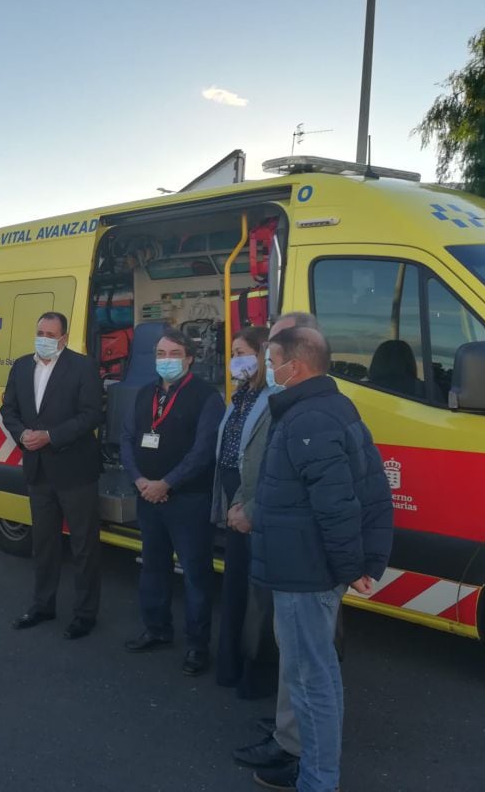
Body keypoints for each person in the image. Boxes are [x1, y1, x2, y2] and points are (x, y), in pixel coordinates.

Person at [249, 326, 393, 792]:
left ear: (297, 365)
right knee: (311, 674)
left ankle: (317, 780)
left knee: (313, 682)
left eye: (272, 361)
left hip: (305, 573)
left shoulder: (309, 418)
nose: (268, 370)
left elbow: (340, 505)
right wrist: (361, 561)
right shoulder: (331, 406)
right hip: (306, 567)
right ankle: (305, 762)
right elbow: (370, 490)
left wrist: (355, 567)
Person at [230, 312, 325, 776]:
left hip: (296, 552)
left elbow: (303, 488)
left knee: (309, 663)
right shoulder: (284, 398)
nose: (269, 354)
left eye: (275, 348)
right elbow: (250, 459)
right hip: (277, 538)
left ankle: (299, 754)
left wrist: (252, 510)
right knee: (291, 651)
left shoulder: (312, 411)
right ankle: (290, 729)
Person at [121, 328, 225, 675]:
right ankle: (157, 629)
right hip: (147, 497)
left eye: (174, 354)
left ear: (190, 357)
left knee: (196, 576)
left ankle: (197, 646)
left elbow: (204, 450)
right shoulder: (144, 394)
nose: (166, 360)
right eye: (161, 354)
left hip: (188, 500)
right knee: (153, 568)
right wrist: (139, 480)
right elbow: (128, 438)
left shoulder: (206, 396)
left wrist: (166, 482)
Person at [0, 311, 103, 640]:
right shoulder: (21, 366)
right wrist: (23, 434)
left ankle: (85, 614)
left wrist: (51, 436)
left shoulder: (83, 367)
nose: (43, 337)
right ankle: (43, 605)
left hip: (75, 470)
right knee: (44, 544)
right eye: (39, 331)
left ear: (63, 338)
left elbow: (91, 415)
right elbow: (9, 409)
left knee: (84, 545)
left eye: (50, 333)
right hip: (38, 469)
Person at [213, 325, 276, 698]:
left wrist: (244, 502)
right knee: (235, 585)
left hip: (250, 498)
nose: (236, 360)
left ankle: (254, 673)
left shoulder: (273, 398)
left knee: (256, 593)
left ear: (262, 353)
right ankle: (231, 664)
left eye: (241, 352)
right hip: (231, 493)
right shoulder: (240, 396)